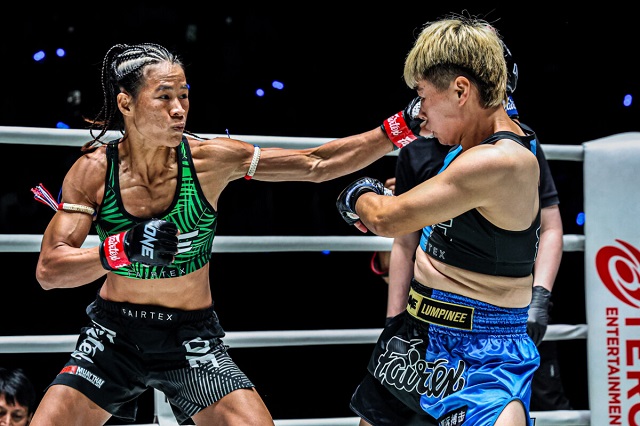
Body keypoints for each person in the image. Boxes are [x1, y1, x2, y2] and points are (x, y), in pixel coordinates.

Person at [30, 42, 421, 426]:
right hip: (114, 336)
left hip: (188, 338)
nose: (179, 109)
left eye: (183, 95)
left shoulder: (208, 160)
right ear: (126, 104)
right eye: (164, 97)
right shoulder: (94, 171)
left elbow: (315, 163)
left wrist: (400, 127)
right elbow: (50, 270)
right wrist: (122, 248)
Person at [336, 15, 541, 425]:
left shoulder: (500, 159)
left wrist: (360, 194)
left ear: (461, 90)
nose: (419, 111)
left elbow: (387, 220)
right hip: (415, 336)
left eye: (423, 95)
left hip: (483, 353)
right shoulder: (471, 145)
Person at [372, 42, 573, 412]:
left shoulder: (515, 151)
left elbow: (550, 227)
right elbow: (404, 240)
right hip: (425, 319)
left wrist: (540, 296)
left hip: (498, 318)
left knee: (539, 398)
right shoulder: (418, 150)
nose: (420, 110)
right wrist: (394, 317)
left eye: (423, 96)